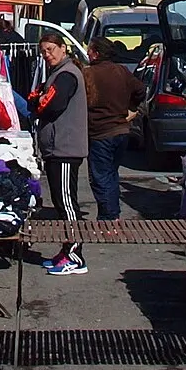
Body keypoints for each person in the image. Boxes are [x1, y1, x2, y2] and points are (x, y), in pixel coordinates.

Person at [31, 29, 89, 274]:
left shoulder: (66, 74)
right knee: (60, 201)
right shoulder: (56, 73)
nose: (47, 55)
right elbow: (35, 98)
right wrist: (38, 101)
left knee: (66, 202)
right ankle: (67, 251)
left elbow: (50, 105)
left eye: (51, 50)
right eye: (43, 51)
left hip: (65, 147)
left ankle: (75, 256)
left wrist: (39, 102)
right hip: (57, 147)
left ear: (63, 48)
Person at [82, 36, 143, 224]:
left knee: (100, 177)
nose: (87, 53)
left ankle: (108, 217)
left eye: (90, 50)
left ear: (96, 53)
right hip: (120, 130)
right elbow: (141, 90)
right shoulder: (121, 71)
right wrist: (130, 109)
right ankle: (112, 214)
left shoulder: (88, 74)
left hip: (100, 132)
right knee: (111, 174)